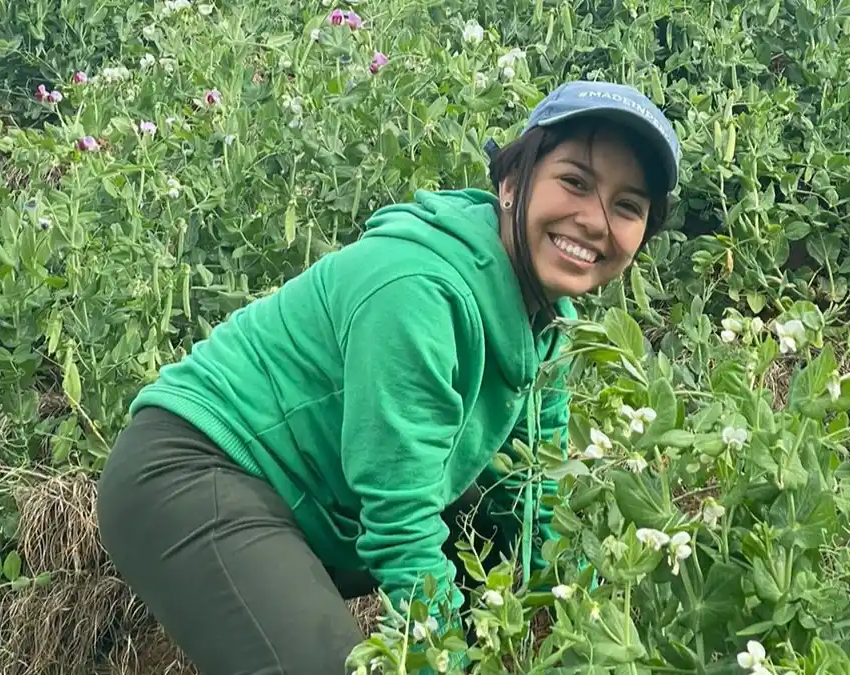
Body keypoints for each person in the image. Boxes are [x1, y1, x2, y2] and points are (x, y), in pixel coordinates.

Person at [95, 79, 681, 674]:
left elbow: (536, 499)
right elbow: (401, 517)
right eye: (575, 182)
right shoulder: (418, 291)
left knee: (493, 507)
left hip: (313, 501)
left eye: (628, 205)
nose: (595, 220)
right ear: (512, 183)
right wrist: (441, 661)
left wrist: (603, 623)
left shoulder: (550, 321)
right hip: (194, 473)